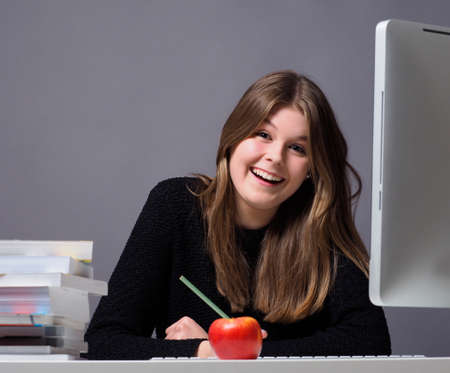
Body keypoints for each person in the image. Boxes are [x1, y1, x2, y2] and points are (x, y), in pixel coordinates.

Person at [85, 70, 391, 359]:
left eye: (297, 148)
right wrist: (208, 352)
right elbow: (104, 341)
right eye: (262, 134)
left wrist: (226, 350)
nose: (274, 157)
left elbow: (372, 343)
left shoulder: (321, 230)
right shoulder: (175, 205)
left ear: (312, 168)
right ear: (234, 138)